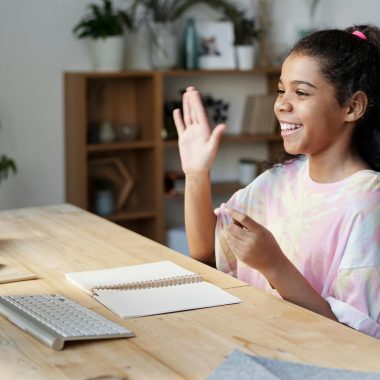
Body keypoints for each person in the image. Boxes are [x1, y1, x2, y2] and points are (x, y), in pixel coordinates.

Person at [173, 25, 380, 339]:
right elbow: (205, 253)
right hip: (256, 342)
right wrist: (196, 174)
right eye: (281, 90)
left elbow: (356, 340)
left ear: (352, 107)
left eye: (301, 92)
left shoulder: (367, 202)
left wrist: (274, 265)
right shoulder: (278, 180)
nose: (282, 104)